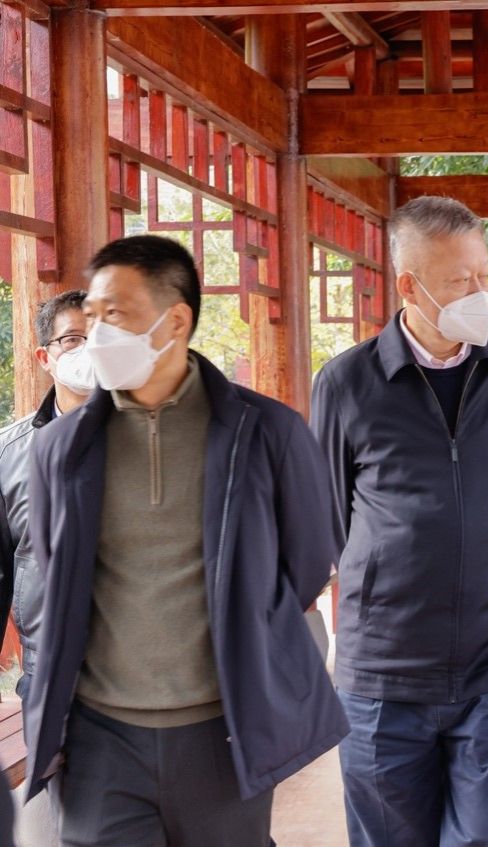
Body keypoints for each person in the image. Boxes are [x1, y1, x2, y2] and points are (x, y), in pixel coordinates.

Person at [23, 235, 346, 847]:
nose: (97, 333)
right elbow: (55, 565)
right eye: (93, 315)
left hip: (223, 732)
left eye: (116, 314)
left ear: (175, 321)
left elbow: (305, 565)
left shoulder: (267, 432)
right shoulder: (60, 449)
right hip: (100, 741)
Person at [312, 196, 488, 847]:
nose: (479, 295)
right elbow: (333, 518)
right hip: (383, 671)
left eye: (483, 276)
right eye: (459, 281)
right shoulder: (346, 383)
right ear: (409, 286)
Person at [0, 291, 95, 847]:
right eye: (73, 339)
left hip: (153, 679)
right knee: (80, 828)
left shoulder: (162, 438)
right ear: (44, 357)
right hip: (54, 682)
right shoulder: (10, 455)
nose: (90, 350)